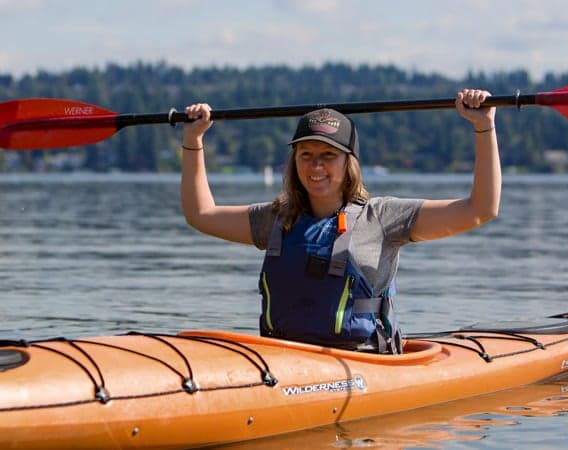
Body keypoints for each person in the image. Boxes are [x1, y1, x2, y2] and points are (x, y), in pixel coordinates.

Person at [180, 89, 500, 354]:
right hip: (281, 359)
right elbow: (201, 214)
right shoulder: (278, 218)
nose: (316, 165)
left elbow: (479, 209)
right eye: (306, 155)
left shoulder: (382, 218)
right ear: (295, 162)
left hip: (363, 364)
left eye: (328, 155)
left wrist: (483, 127)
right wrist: (194, 140)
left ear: (349, 163)